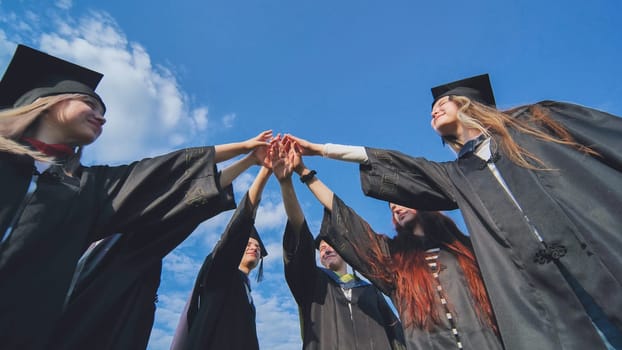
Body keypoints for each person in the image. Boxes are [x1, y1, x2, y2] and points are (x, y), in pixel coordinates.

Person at [284, 73, 622, 349]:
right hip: (552, 312)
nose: (433, 110)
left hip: (603, 262)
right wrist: (315, 157)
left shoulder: (537, 123)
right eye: (431, 109)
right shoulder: (458, 176)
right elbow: (397, 173)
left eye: (442, 102)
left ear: (467, 103)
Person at [0, 44, 271, 349]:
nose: (101, 117)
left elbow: (161, 178)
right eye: (90, 104)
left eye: (103, 111)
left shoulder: (84, 187)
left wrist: (248, 155)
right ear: (46, 103)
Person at [275, 139, 500, 349]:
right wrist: (304, 173)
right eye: (391, 206)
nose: (396, 207)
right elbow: (347, 219)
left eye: (401, 201)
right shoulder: (394, 260)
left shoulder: (466, 248)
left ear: (421, 199)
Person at [271, 140, 405, 350]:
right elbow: (299, 236)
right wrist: (286, 183)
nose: (324, 249)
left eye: (330, 245)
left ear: (345, 251)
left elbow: (397, 338)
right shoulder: (312, 283)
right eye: (321, 248)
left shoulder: (371, 290)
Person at [170, 166, 271, 350]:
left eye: (256, 246)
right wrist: (264, 173)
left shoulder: (247, 292)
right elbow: (238, 227)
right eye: (248, 244)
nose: (254, 248)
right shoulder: (222, 271)